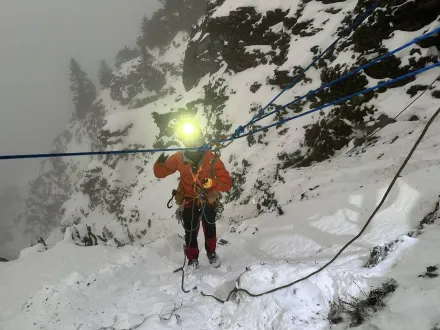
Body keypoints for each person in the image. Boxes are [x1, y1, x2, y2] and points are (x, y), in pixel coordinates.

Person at [153, 123, 232, 269]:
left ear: (199, 139)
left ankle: (211, 253)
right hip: (189, 199)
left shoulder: (210, 157)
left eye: (193, 138)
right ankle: (192, 259)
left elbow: (226, 182)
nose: (191, 142)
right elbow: (160, 173)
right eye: (188, 139)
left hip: (207, 199)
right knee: (190, 231)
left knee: (210, 228)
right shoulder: (179, 158)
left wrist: (212, 183)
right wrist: (160, 161)